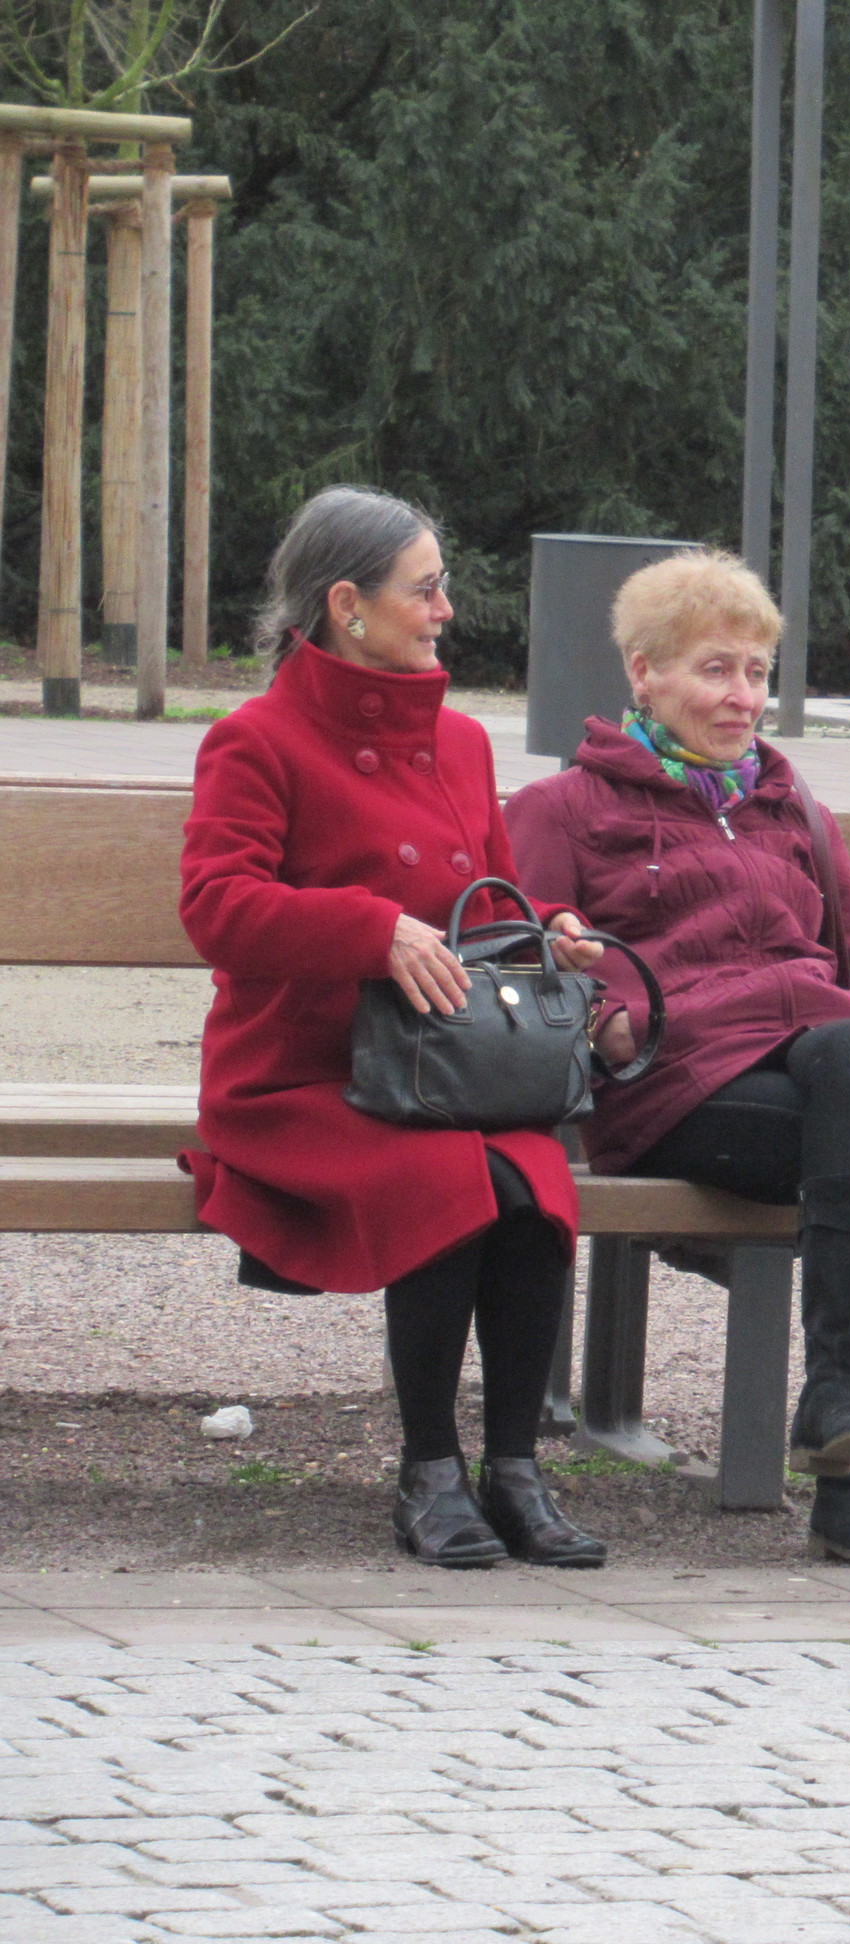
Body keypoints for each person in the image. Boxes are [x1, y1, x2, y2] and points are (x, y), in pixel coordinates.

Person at [182, 487, 609, 1570]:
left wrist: (549, 930)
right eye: (425, 590)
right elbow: (215, 906)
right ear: (347, 606)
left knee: (535, 1187)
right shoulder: (255, 740)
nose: (445, 611)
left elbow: (492, 900)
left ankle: (514, 1470)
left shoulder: (458, 741)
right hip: (302, 1077)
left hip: (448, 1069)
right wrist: (370, 930)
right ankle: (430, 1472)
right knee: (449, 1184)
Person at [507, 550, 850, 1565]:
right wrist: (606, 1011)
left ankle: (847, 1439)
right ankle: (847, 1451)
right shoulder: (565, 808)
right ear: (644, 673)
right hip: (670, 1090)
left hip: (818, 1084)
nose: (742, 697)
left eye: (756, 673)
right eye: (715, 670)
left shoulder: (796, 814)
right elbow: (521, 962)